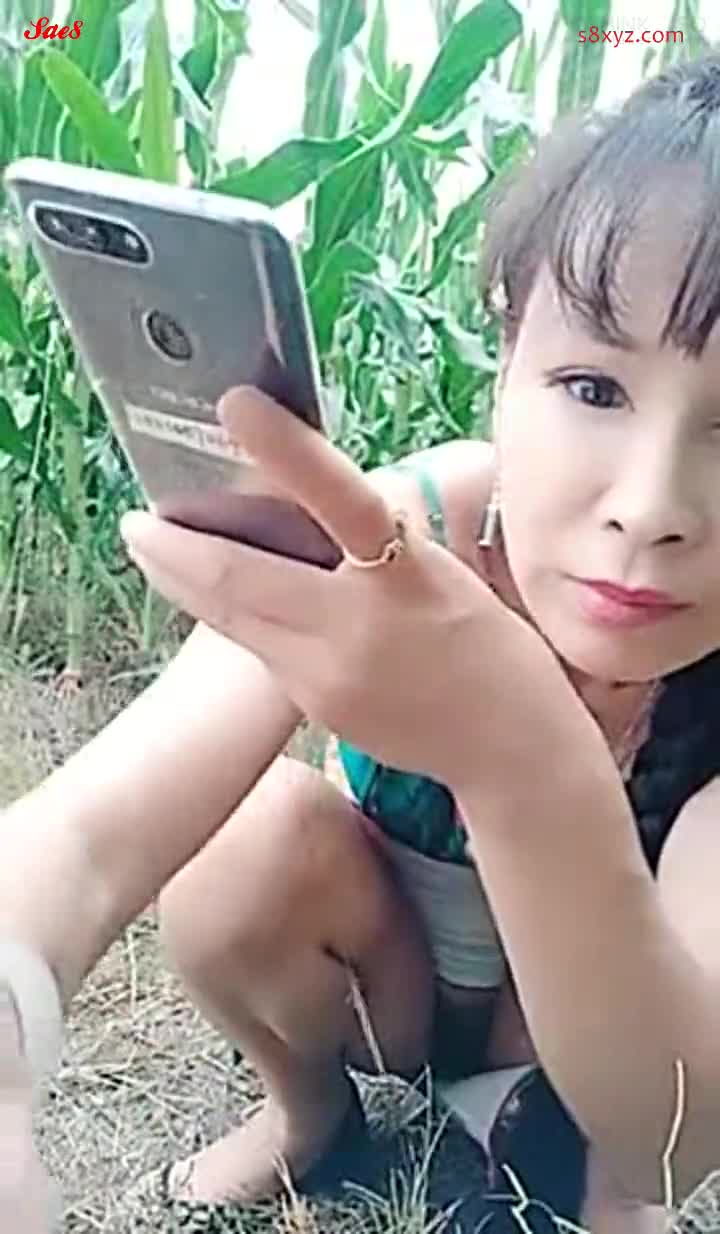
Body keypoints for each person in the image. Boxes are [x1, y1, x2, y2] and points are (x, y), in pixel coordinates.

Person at [4, 51, 720, 1234]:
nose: (651, 507)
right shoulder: (409, 531)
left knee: (619, 1171)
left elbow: (681, 1130)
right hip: (393, 971)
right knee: (243, 845)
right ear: (506, 360)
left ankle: (555, 1150)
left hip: (598, 1026)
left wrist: (522, 750)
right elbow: (87, 832)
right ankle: (311, 1117)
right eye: (594, 388)